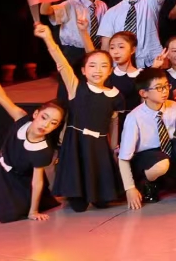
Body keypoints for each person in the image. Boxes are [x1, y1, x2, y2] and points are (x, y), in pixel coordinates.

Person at [35, 23, 123, 211]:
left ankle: (98, 192)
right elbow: (60, 61)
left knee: (102, 200)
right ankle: (76, 193)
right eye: (92, 65)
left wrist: (114, 148)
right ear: (83, 70)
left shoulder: (115, 95)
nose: (97, 70)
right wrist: (48, 38)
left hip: (99, 144)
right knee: (78, 205)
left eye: (103, 66)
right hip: (76, 142)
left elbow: (113, 124)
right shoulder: (76, 87)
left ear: (110, 70)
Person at [0, 55, 63, 222]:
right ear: (36, 114)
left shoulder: (42, 151)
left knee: (8, 215)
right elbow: (0, 95)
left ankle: (14, 200)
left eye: (53, 123)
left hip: (17, 181)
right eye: (44, 117)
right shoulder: (21, 118)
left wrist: (33, 211)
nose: (46, 125)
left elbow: (37, 182)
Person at [117, 69, 176, 208]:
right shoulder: (134, 117)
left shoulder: (174, 107)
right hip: (147, 157)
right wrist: (129, 188)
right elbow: (124, 156)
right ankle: (148, 183)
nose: (165, 91)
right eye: (159, 88)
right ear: (143, 93)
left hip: (169, 150)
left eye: (166, 86)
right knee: (161, 163)